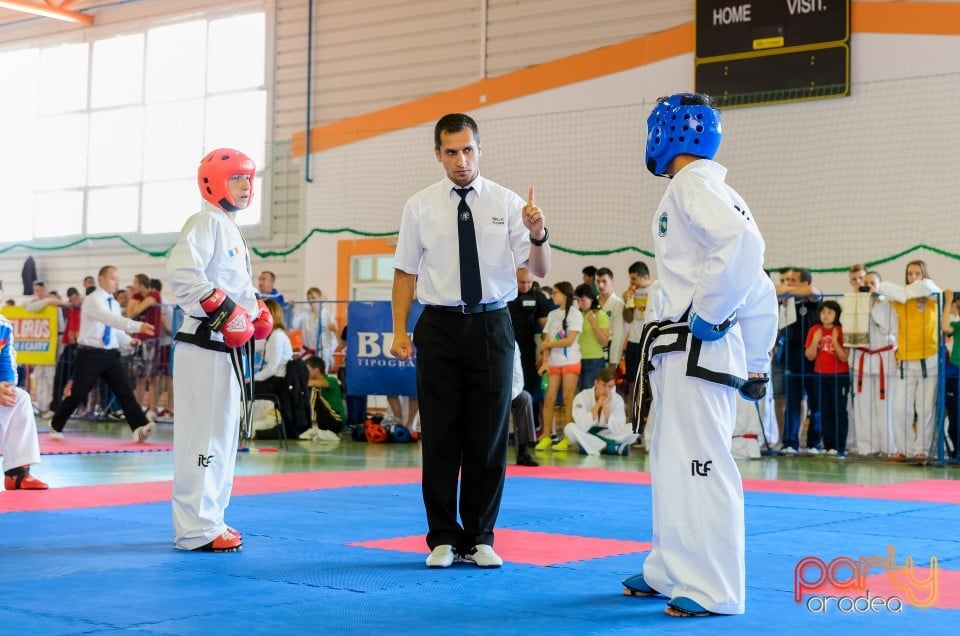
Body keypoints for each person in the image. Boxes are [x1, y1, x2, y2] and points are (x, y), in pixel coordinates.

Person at [620, 93, 778, 617]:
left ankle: (715, 588)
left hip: (698, 350)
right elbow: (758, 285)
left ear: (666, 134)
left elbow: (746, 249)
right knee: (671, 465)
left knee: (700, 467)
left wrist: (710, 314)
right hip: (681, 351)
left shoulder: (694, 184)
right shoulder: (710, 187)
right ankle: (670, 569)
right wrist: (756, 360)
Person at [390, 113, 550, 569]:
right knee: (440, 434)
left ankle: (480, 535)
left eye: (468, 150)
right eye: (451, 152)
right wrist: (400, 330)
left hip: (492, 325)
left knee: (489, 435)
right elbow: (405, 272)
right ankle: (442, 536)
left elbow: (538, 269)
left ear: (482, 149)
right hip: (438, 326)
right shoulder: (419, 206)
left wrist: (538, 233)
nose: (461, 160)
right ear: (438, 154)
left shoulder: (507, 201)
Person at [167, 148, 273, 552]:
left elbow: (234, 285)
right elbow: (182, 275)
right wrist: (224, 311)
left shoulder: (229, 228)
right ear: (212, 184)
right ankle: (195, 528)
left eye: (249, 179)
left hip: (224, 351)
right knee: (204, 438)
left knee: (223, 436)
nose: (246, 186)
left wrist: (255, 309)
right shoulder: (204, 222)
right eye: (236, 179)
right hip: (204, 346)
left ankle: (211, 519)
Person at [48, 266, 156, 442]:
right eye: (113, 278)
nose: (116, 282)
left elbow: (114, 329)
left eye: (117, 278)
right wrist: (137, 326)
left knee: (124, 390)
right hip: (89, 355)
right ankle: (56, 424)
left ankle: (139, 427)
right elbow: (110, 319)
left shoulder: (113, 302)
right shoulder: (92, 300)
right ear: (101, 279)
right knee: (78, 393)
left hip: (110, 354)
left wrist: (129, 340)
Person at [879, 260, 940, 460]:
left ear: (924, 274)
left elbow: (929, 287)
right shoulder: (900, 298)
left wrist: (910, 291)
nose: (913, 277)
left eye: (917, 273)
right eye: (910, 273)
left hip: (928, 358)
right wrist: (906, 293)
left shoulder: (932, 296)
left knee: (925, 409)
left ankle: (921, 449)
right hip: (905, 360)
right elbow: (883, 287)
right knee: (899, 409)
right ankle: (904, 448)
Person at [1, 288, 48, 490]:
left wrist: (5, 387)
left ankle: (17, 473)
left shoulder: (3, 326)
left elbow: (7, 364)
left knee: (18, 397)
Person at [774, 267, 822, 454]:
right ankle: (790, 442)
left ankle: (813, 443)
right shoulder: (788, 301)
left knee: (815, 401)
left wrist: (789, 291)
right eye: (787, 280)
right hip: (792, 356)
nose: (788, 283)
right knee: (792, 400)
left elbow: (813, 292)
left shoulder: (812, 299)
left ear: (804, 282)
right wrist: (788, 291)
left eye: (793, 280)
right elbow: (776, 289)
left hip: (813, 356)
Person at [852, 271, 896, 456]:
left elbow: (887, 329)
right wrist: (861, 304)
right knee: (863, 406)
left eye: (873, 283)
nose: (869, 286)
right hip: (862, 359)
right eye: (866, 283)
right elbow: (850, 331)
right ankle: (866, 447)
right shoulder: (855, 304)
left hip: (883, 359)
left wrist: (875, 304)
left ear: (879, 285)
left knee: (885, 405)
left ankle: (887, 446)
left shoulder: (888, 305)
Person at [534, 282, 582, 450]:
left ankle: (567, 438)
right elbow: (545, 339)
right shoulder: (553, 314)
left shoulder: (576, 314)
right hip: (554, 362)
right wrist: (545, 360)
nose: (552, 296)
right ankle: (546, 435)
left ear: (565, 295)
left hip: (570, 361)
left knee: (568, 399)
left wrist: (548, 345)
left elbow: (569, 341)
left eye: (555, 293)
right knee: (549, 399)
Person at [804, 300, 850, 457]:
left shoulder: (841, 330)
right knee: (824, 410)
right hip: (820, 375)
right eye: (823, 312)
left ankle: (840, 446)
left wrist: (835, 341)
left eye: (830, 312)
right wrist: (816, 340)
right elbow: (809, 356)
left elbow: (844, 357)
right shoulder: (814, 330)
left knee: (839, 410)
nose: (826, 315)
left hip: (840, 375)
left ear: (837, 314)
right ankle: (827, 444)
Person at [508, 267, 551, 432]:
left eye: (529, 282)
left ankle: (529, 429)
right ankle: (509, 429)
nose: (526, 285)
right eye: (522, 282)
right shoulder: (506, 294)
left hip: (528, 351)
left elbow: (546, 329)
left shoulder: (538, 298)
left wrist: (542, 353)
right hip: (506, 348)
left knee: (529, 388)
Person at [558, 367, 636, 455]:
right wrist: (597, 405)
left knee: (633, 429)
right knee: (569, 428)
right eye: (603, 385)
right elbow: (581, 426)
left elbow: (617, 429)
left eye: (610, 386)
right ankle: (608, 447)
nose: (606, 390)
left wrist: (605, 407)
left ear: (613, 386)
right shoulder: (582, 397)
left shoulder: (617, 400)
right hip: (587, 433)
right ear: (596, 383)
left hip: (608, 434)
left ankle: (591, 446)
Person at [621, 261, 656, 434]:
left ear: (645, 277)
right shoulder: (631, 293)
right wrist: (628, 301)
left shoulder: (655, 290)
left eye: (634, 279)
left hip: (650, 342)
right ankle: (631, 425)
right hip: (634, 343)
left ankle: (651, 426)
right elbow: (628, 318)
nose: (632, 282)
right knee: (631, 385)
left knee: (651, 385)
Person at [574, 283, 609, 391]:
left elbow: (604, 342)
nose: (580, 303)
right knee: (581, 394)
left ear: (591, 298)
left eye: (583, 300)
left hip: (594, 360)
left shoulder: (600, 315)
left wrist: (594, 324)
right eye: (578, 300)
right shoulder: (579, 315)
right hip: (578, 359)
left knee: (592, 394)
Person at [303, 355, 344, 441]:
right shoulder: (314, 385)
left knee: (315, 393)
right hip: (325, 422)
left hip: (336, 420)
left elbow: (321, 383)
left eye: (307, 369)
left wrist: (298, 380)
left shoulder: (331, 380)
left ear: (316, 370)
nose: (305, 372)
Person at [510, 341, 538, 466]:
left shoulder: (513, 344)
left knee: (525, 398)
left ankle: (523, 451)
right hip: (486, 392)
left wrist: (512, 393)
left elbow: (518, 378)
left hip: (508, 392)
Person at [595, 267, 625, 372]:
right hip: (593, 350)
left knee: (607, 385)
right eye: (598, 282)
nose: (600, 285)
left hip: (610, 347)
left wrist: (614, 361)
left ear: (612, 282)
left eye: (604, 281)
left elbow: (618, 333)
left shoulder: (618, 304)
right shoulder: (593, 303)